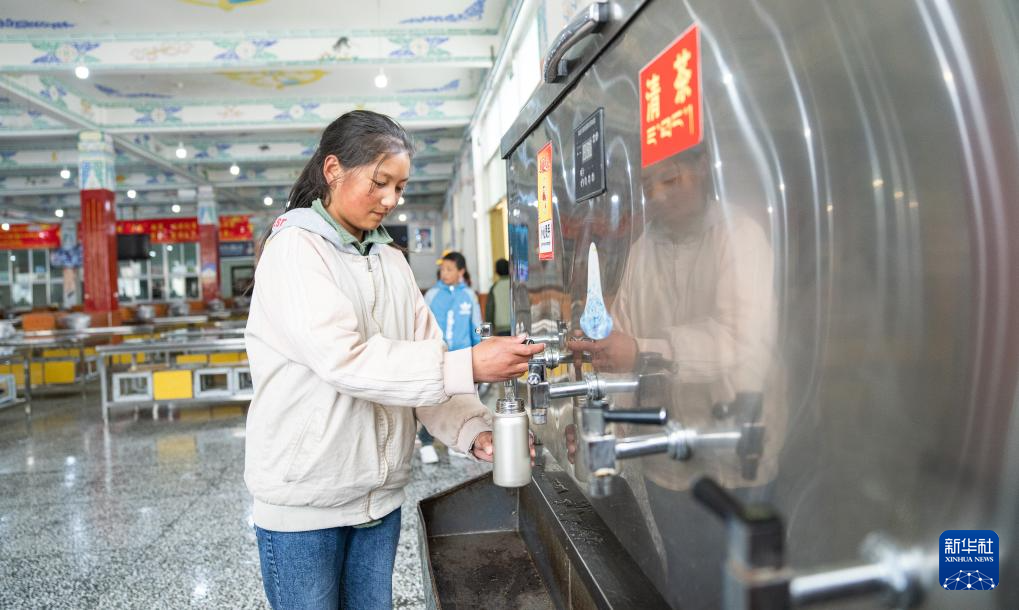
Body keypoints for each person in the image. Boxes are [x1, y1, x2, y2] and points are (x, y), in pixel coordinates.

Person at [244, 110, 543, 610]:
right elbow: (347, 360)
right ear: (333, 170)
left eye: (400, 188)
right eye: (380, 183)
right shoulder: (295, 250)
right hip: (306, 501)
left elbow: (427, 357)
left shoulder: (390, 260)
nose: (391, 200)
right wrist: (469, 364)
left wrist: (474, 428)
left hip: (377, 501)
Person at [417, 251, 482, 463]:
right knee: (433, 401)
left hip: (463, 358)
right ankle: (426, 443)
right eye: (442, 269)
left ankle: (457, 442)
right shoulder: (432, 295)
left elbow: (476, 327)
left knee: (463, 401)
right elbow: (422, 326)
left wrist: (478, 356)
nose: (444, 273)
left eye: (449, 269)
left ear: (461, 271)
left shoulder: (469, 295)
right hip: (437, 359)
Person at [485, 258, 512, 336]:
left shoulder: (495, 287)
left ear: (496, 271)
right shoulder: (515, 285)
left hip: (501, 327)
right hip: (517, 325)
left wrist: (489, 329)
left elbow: (489, 310)